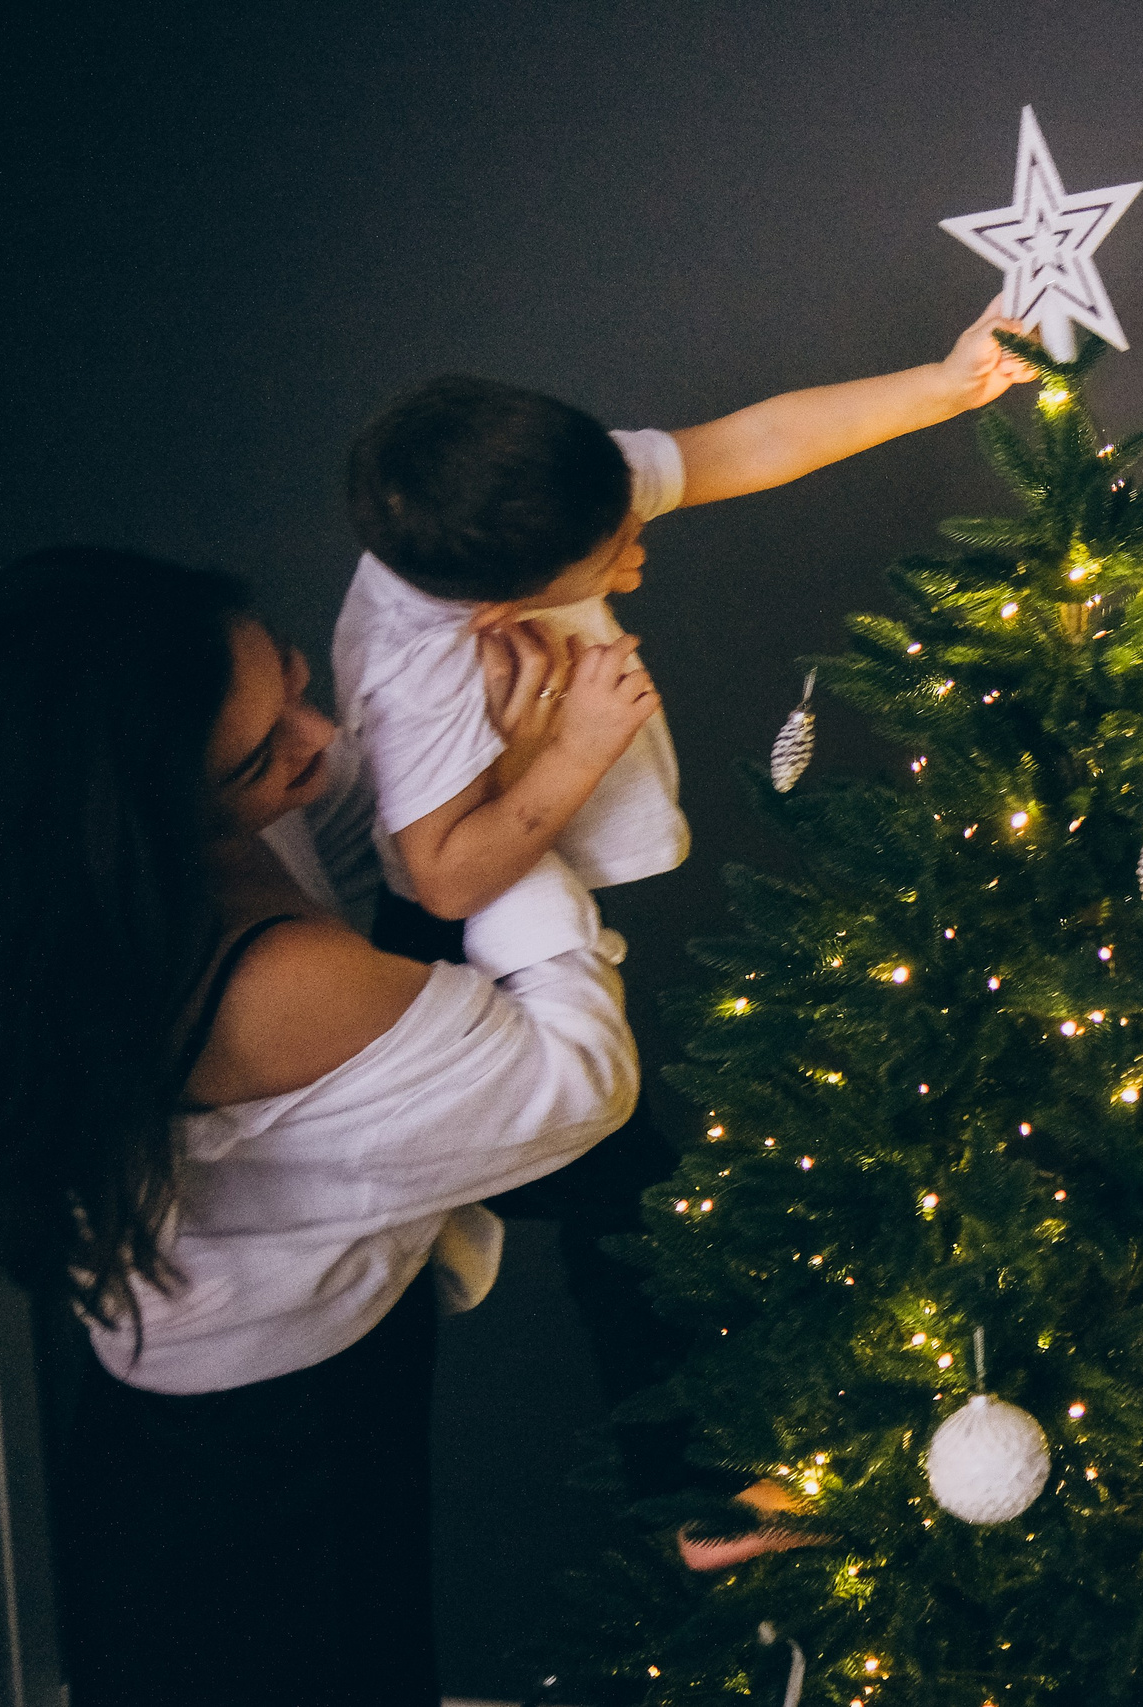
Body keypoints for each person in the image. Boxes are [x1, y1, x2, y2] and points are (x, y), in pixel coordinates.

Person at [337, 305, 1034, 1506]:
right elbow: (445, 874)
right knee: (630, 1205)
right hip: (448, 944)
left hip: (521, 900)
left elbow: (736, 447)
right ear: (496, 609)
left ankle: (682, 1475)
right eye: (606, 553)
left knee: (625, 1204)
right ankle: (692, 1491)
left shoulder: (538, 497)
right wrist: (581, 743)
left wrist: (945, 382)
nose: (632, 549)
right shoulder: (421, 664)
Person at [0, 548, 642, 1706]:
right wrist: (530, 805)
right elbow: (580, 1084)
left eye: (292, 679)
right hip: (273, 1458)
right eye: (263, 753)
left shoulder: (90, 886)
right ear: (149, 809)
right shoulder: (268, 989)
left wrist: (459, 761)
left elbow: (351, 833)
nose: (319, 740)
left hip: (164, 1424)